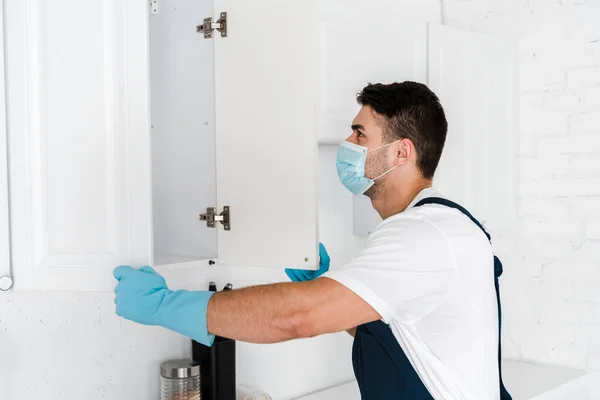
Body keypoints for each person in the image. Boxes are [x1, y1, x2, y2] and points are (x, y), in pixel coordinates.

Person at [114, 82, 511, 400]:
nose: (347, 144)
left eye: (360, 133)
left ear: (402, 152)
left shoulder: (422, 234)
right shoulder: (435, 225)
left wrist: (166, 307)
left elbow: (294, 318)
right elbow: (399, 335)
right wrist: (323, 289)